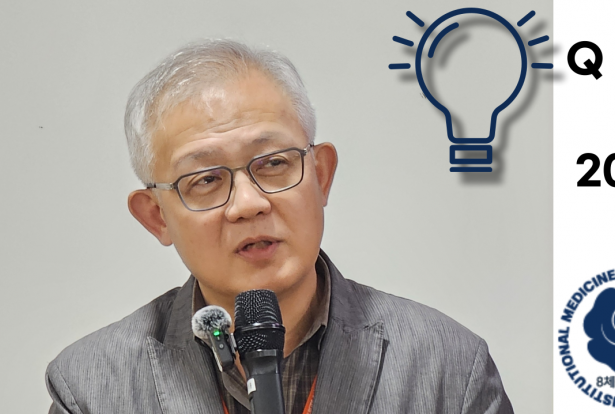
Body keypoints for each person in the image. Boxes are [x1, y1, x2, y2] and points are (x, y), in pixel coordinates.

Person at [45, 39, 514, 414]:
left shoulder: (449, 366)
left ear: (321, 176)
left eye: (273, 163)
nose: (248, 204)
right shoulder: (90, 388)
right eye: (205, 179)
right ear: (156, 216)